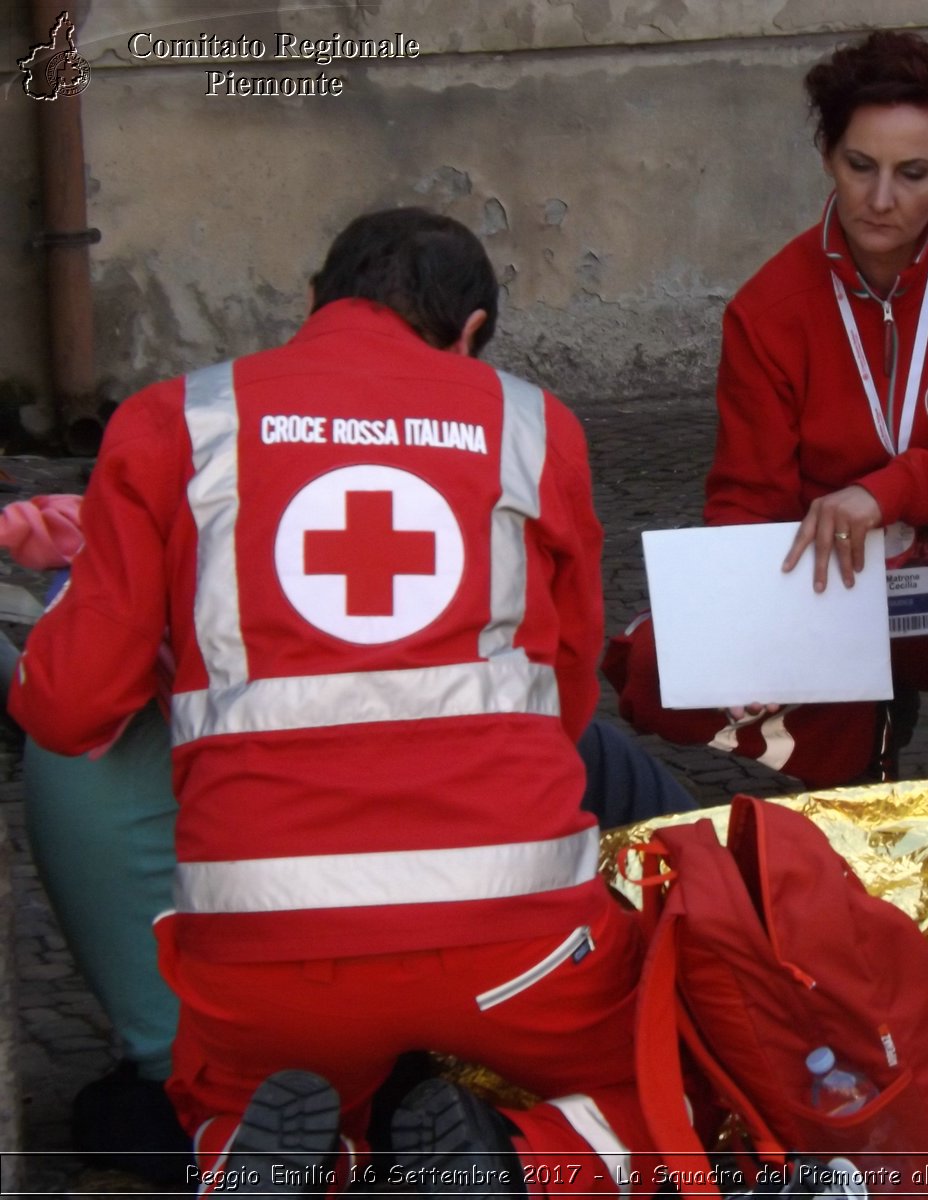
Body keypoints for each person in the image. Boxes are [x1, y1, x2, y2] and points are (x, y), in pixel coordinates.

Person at [8, 208, 658, 1197]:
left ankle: (264, 1151)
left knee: (232, 1092)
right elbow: (564, 705)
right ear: (473, 331)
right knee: (654, 1082)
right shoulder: (534, 426)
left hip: (267, 953)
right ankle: (524, 1168)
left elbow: (62, 711)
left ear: (312, 301)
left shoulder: (175, 421)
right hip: (515, 936)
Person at [605, 30, 928, 787]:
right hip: (830, 599)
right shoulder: (768, 309)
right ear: (828, 157)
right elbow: (746, 504)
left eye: (913, 173)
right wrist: (743, 614)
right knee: (659, 667)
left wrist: (886, 490)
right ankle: (851, 754)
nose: (881, 199)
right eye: (860, 167)